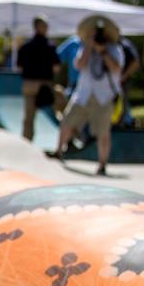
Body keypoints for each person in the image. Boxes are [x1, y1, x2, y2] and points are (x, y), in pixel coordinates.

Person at [53, 17, 124, 176]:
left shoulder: (114, 49)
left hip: (104, 97)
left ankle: (102, 165)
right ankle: (58, 151)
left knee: (103, 132)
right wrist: (89, 47)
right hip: (83, 94)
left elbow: (117, 69)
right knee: (67, 121)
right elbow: (78, 65)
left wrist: (103, 51)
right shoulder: (84, 47)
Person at [17, 15, 60, 141]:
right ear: (39, 27)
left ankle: (26, 142)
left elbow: (19, 67)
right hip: (45, 84)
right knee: (61, 108)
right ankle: (69, 138)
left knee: (28, 117)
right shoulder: (50, 46)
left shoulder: (25, 46)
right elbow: (56, 68)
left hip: (28, 85)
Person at [117, 36, 140, 127]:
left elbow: (135, 62)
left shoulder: (125, 44)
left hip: (122, 83)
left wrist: (123, 77)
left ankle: (122, 127)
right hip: (108, 84)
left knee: (122, 107)